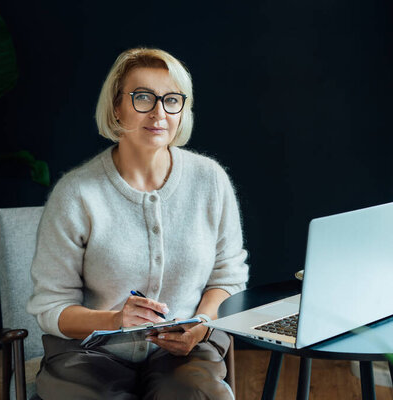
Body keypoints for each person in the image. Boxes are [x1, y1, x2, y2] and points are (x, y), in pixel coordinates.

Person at [26, 47, 249, 400]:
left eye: (171, 99)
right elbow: (52, 308)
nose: (159, 112)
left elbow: (229, 276)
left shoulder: (210, 180)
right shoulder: (76, 194)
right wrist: (114, 321)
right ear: (116, 106)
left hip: (185, 353)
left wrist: (202, 325)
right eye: (143, 97)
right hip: (88, 355)